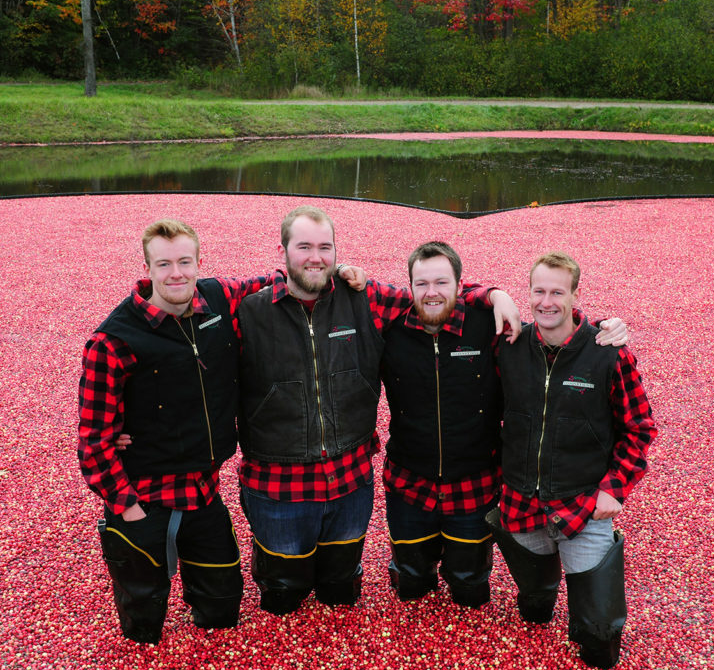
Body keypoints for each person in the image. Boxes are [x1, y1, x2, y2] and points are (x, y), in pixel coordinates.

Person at [235, 206, 522, 616]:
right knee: (282, 596)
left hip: (351, 480)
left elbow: (433, 299)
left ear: (336, 251)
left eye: (324, 247)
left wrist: (495, 293)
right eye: (304, 247)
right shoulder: (248, 309)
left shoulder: (364, 299)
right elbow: (189, 326)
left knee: (346, 593)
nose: (315, 256)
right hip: (280, 484)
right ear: (282, 250)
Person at [381, 242, 627, 609]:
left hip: (474, 484)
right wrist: (497, 294)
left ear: (460, 285)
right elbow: (342, 292)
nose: (432, 292)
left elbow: (555, 339)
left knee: (471, 589)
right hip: (408, 484)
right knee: (411, 584)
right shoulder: (389, 327)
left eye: (442, 283)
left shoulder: (491, 327)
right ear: (410, 287)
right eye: (421, 284)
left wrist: (604, 331)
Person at [78, 219, 271, 643]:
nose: (176, 273)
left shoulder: (219, 298)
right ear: (148, 268)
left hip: (203, 490)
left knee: (223, 608)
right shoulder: (114, 341)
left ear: (200, 262)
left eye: (185, 261)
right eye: (164, 264)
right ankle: (142, 622)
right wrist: (125, 506)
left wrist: (345, 275)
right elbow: (94, 440)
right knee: (143, 621)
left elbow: (275, 279)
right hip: (145, 496)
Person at [488, 251, 656, 670]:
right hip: (522, 504)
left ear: (576, 294)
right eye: (538, 291)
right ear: (527, 293)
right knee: (534, 609)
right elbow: (450, 301)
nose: (547, 302)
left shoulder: (606, 353)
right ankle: (540, 591)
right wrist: (492, 295)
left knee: (600, 642)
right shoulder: (508, 347)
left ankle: (592, 621)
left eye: (557, 292)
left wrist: (614, 490)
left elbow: (640, 429)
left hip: (582, 506)